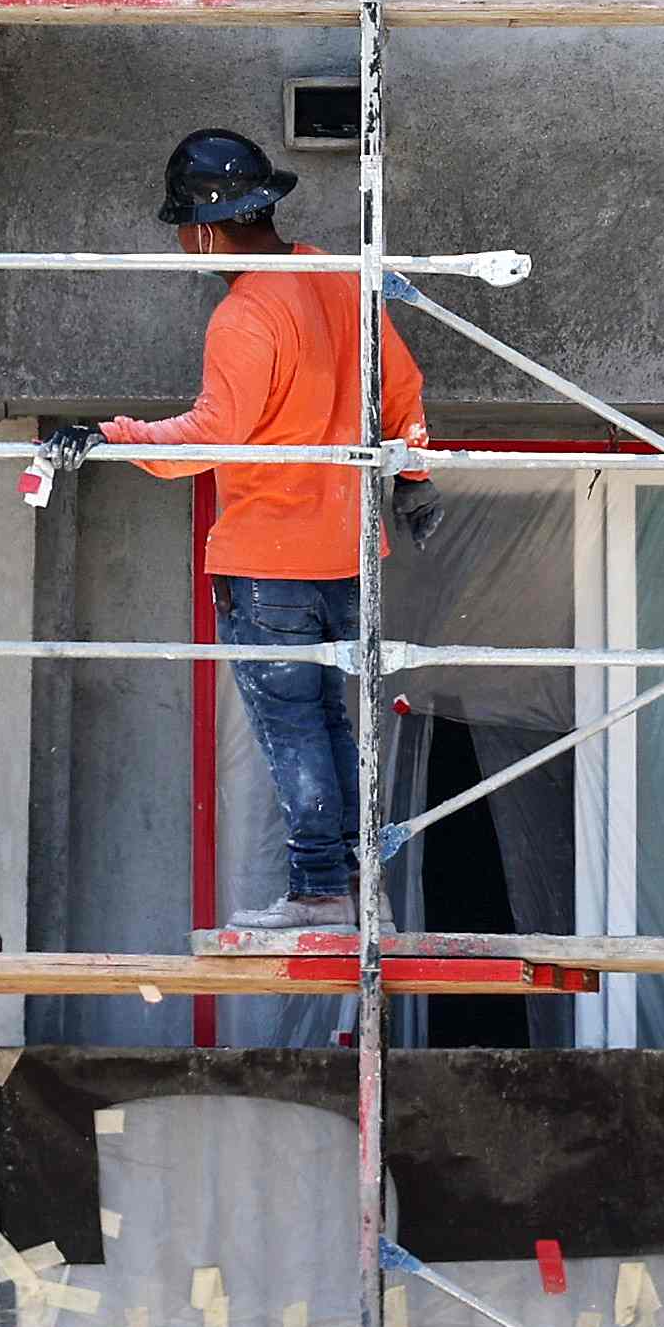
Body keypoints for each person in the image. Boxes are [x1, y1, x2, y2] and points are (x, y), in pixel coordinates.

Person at [99, 128, 423, 938]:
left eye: (181, 227)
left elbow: (211, 439)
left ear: (206, 227)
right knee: (331, 721)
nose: (182, 245)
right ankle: (358, 892)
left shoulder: (245, 314)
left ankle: (319, 893)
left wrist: (110, 438)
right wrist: (413, 477)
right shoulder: (336, 278)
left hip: (269, 563)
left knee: (292, 726)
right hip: (348, 555)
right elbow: (403, 389)